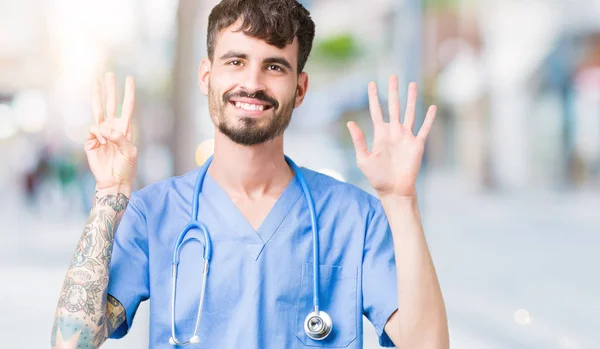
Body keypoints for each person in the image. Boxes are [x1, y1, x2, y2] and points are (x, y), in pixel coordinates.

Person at [51, 0, 449, 348]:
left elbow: (429, 345)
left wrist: (400, 201)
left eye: (274, 66)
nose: (252, 83)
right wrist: (109, 193)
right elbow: (72, 341)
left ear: (300, 88)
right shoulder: (153, 214)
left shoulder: (354, 218)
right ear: (207, 76)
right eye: (235, 61)